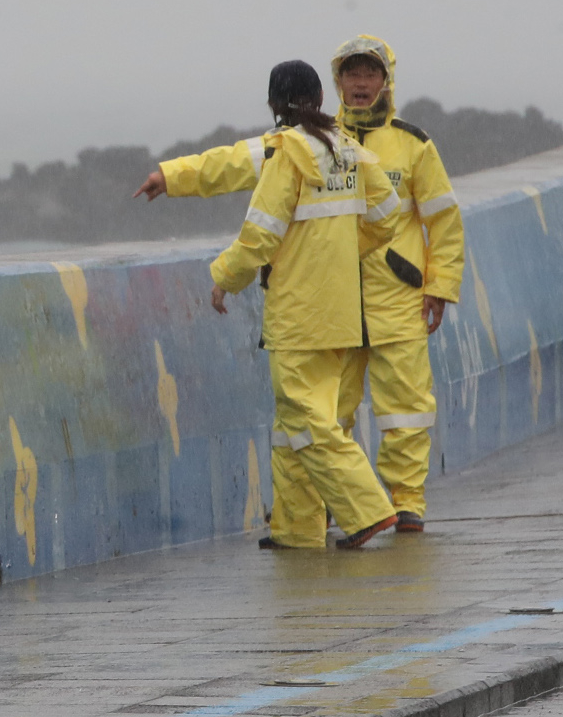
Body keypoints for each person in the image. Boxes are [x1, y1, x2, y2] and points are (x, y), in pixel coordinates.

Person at [136, 35, 463, 532]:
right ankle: (318, 511)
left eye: (369, 74)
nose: (359, 83)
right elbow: (230, 162)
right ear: (335, 83)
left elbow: (443, 219)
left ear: (386, 81)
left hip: (395, 298)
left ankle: (402, 502)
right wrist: (172, 174)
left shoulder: (412, 145)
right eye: (351, 74)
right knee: (332, 413)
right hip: (340, 303)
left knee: (406, 410)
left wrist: (440, 283)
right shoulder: (323, 141)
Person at [209, 59, 401, 550]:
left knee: (309, 418)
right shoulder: (347, 148)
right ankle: (296, 528)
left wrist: (224, 279)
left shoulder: (289, 153)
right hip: (339, 309)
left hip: (297, 313)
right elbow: (387, 215)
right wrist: (339, 248)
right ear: (320, 98)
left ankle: (368, 511)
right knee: (292, 422)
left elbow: (260, 233)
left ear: (275, 104)